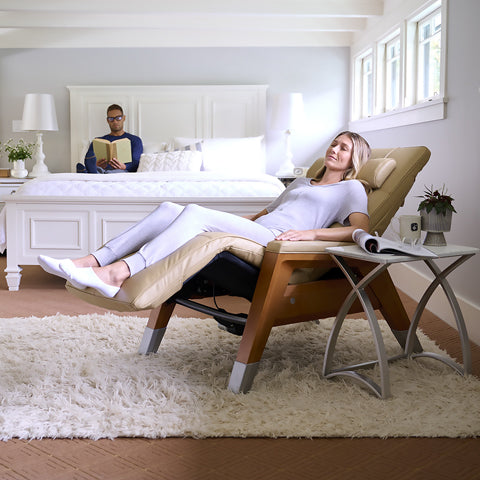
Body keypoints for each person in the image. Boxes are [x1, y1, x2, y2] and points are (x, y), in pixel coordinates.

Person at [39, 131, 371, 298]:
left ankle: (118, 273)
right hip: (257, 232)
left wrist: (310, 234)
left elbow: (360, 230)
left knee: (195, 212)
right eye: (334, 143)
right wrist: (231, 227)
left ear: (354, 159)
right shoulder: (301, 181)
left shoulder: (350, 189)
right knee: (171, 208)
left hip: (278, 242)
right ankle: (92, 262)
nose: (334, 149)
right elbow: (267, 211)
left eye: (344, 148)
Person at [77, 104, 143, 173]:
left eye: (118, 118)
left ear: (123, 118)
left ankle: (89, 173)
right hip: (101, 169)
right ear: (108, 120)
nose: (115, 121)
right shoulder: (98, 141)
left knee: (114, 172)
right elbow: (89, 159)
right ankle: (93, 170)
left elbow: (136, 162)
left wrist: (124, 166)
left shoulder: (135, 140)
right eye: (111, 119)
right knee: (95, 165)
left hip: (122, 171)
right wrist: (96, 164)